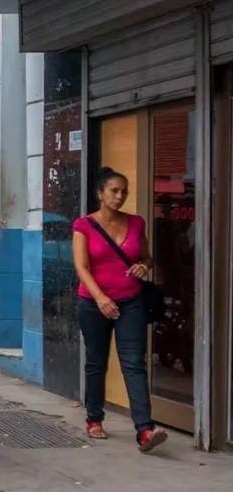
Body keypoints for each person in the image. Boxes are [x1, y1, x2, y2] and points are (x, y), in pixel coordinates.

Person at [72, 167, 165, 452]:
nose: (120, 196)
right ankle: (94, 418)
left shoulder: (137, 223)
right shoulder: (84, 224)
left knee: (134, 363)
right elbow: (81, 266)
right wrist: (100, 298)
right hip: (93, 303)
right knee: (96, 362)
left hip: (131, 301)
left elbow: (147, 256)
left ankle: (144, 430)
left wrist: (144, 265)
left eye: (124, 191)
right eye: (114, 191)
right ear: (101, 193)